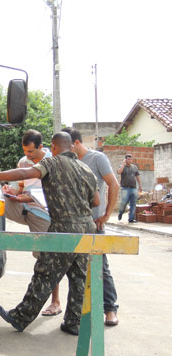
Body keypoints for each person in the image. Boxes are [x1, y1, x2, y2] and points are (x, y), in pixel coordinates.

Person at [0, 132, 99, 336]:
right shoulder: (86, 169)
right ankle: (74, 322)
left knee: (46, 272)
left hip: (65, 227)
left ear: (53, 146)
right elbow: (95, 201)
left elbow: (24, 174)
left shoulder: (52, 163)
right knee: (79, 277)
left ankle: (20, 317)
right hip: (87, 227)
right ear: (71, 147)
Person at [48, 127, 119, 326]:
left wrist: (106, 215)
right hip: (72, 225)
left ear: (75, 143)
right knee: (75, 273)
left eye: (68, 146)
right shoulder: (69, 161)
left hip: (93, 223)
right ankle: (74, 316)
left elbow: (113, 184)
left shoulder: (97, 159)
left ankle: (110, 309)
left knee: (100, 267)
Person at [3, 129, 51, 234]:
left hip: (42, 211)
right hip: (23, 207)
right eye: (24, 150)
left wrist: (30, 198)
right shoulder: (23, 161)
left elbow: (56, 193)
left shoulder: (53, 162)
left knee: (41, 249)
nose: (27, 154)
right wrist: (12, 192)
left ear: (40, 147)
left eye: (30, 151)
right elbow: (21, 187)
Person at [117, 154, 142, 223]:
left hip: (133, 188)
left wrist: (140, 185)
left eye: (131, 159)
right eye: (128, 159)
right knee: (124, 202)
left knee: (133, 204)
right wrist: (123, 164)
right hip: (125, 188)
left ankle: (131, 218)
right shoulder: (122, 166)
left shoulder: (134, 167)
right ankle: (121, 213)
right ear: (125, 159)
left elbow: (137, 176)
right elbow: (119, 172)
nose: (130, 160)